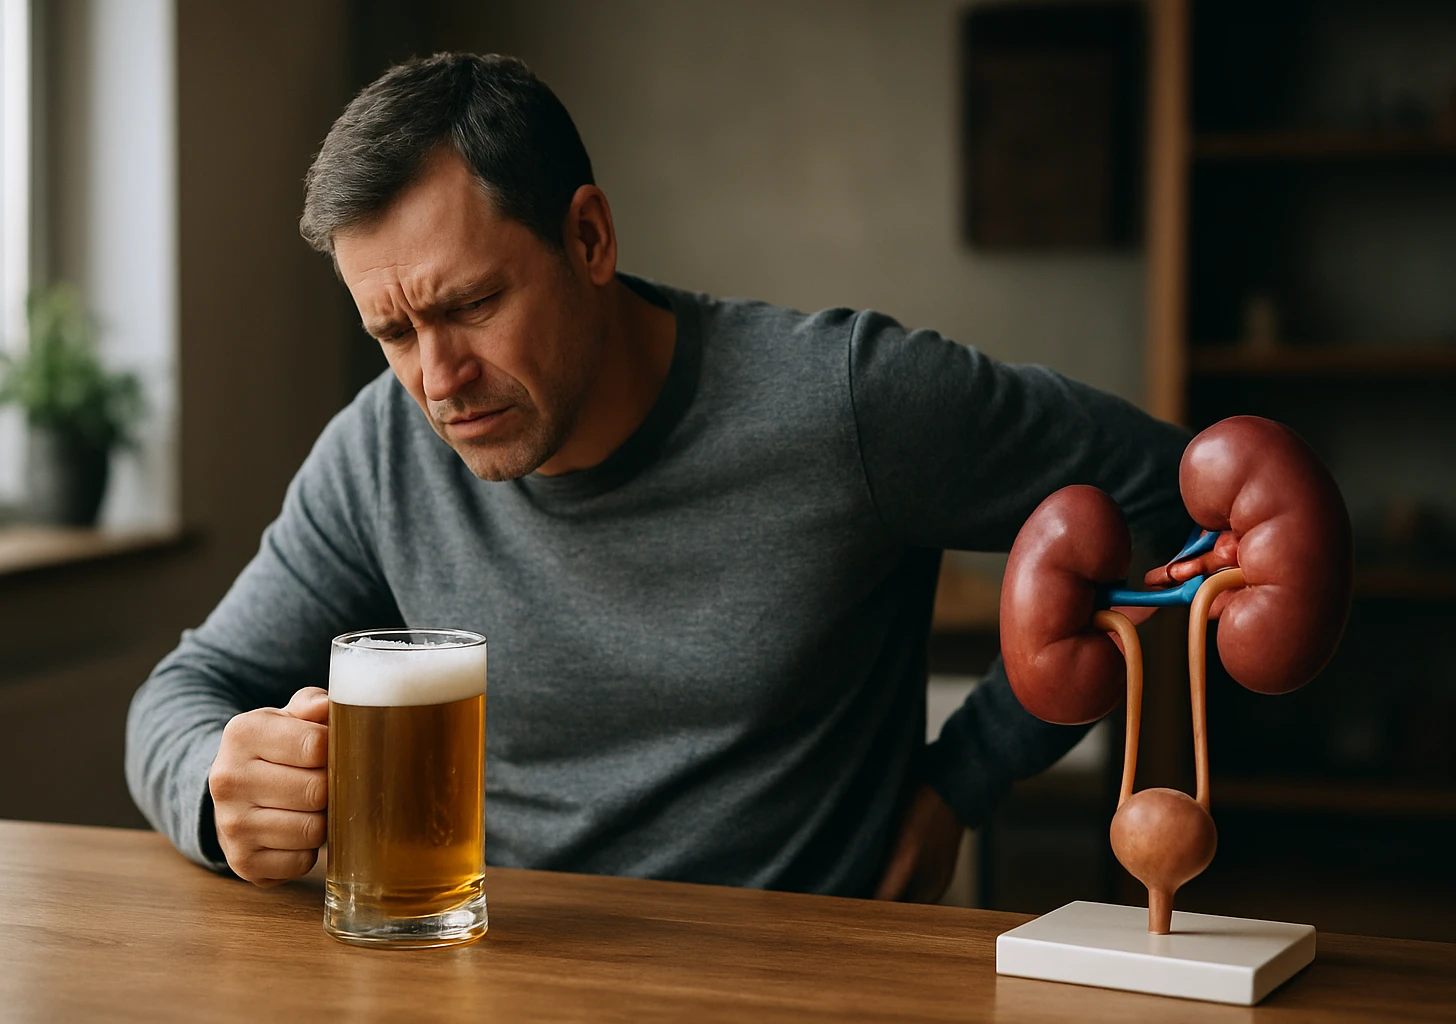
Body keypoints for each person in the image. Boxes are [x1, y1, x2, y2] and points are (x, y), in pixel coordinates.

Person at [126, 53, 1190, 901]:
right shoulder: (379, 452)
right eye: (393, 331)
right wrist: (217, 789)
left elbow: (1177, 498)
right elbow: (179, 695)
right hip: (507, 975)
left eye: (469, 307)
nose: (437, 379)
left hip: (801, 978)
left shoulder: (853, 401)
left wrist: (966, 775)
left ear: (588, 236)